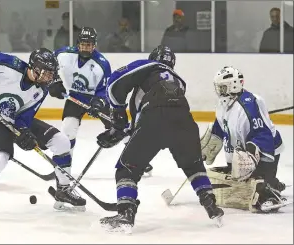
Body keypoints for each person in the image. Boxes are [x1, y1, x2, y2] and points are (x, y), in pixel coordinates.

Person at [95, 45, 224, 234]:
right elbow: (141, 122)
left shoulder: (148, 66)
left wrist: (117, 113)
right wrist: (119, 131)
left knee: (126, 169)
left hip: (154, 119)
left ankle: (126, 213)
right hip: (185, 121)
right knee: (193, 166)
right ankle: (211, 205)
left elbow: (115, 82)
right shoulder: (179, 81)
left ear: (153, 58)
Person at [0, 48, 86, 217]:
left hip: (17, 118)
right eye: (47, 73)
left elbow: (26, 115)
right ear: (35, 68)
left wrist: (24, 131)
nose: (49, 78)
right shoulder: (8, 65)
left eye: (51, 74)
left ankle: (63, 190)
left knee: (61, 141)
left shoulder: (41, 90)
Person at [49, 27, 153, 175]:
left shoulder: (102, 64)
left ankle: (140, 160)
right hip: (74, 98)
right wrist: (54, 81)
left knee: (118, 128)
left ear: (94, 45)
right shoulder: (64, 54)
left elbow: (106, 89)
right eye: (83, 44)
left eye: (89, 45)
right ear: (78, 44)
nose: (86, 48)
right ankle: (63, 168)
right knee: (67, 130)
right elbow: (48, 62)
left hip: (94, 100)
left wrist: (99, 102)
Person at [201, 66, 289, 213]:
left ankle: (270, 190)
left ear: (234, 85)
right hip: (242, 149)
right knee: (236, 177)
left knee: (256, 186)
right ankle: (272, 182)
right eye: (218, 87)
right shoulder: (224, 103)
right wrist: (212, 141)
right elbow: (221, 124)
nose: (219, 91)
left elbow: (263, 134)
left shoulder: (249, 105)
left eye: (222, 87)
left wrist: (251, 154)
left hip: (266, 150)